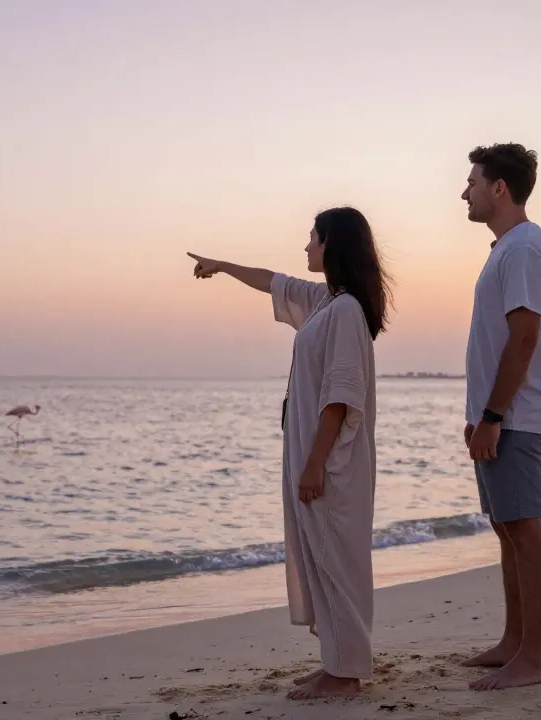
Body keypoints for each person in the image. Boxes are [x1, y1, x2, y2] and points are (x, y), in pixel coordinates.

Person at [187, 207, 392, 700]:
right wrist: (222, 266)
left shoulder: (345, 311)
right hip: (313, 454)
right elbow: (273, 281)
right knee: (321, 556)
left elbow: (340, 395)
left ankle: (344, 675)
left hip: (332, 461)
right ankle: (337, 663)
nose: (305, 246)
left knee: (334, 559)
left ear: (331, 244)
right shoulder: (326, 301)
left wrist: (316, 463)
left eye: (312, 238)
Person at [458, 143, 541, 691]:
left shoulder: (524, 248)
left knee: (524, 528)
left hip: (516, 416)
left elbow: (524, 337)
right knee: (507, 528)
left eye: (472, 182)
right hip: (499, 415)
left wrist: (495, 414)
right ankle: (514, 642)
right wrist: (479, 414)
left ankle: (535, 658)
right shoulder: (508, 248)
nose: (464, 192)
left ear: (499, 188)